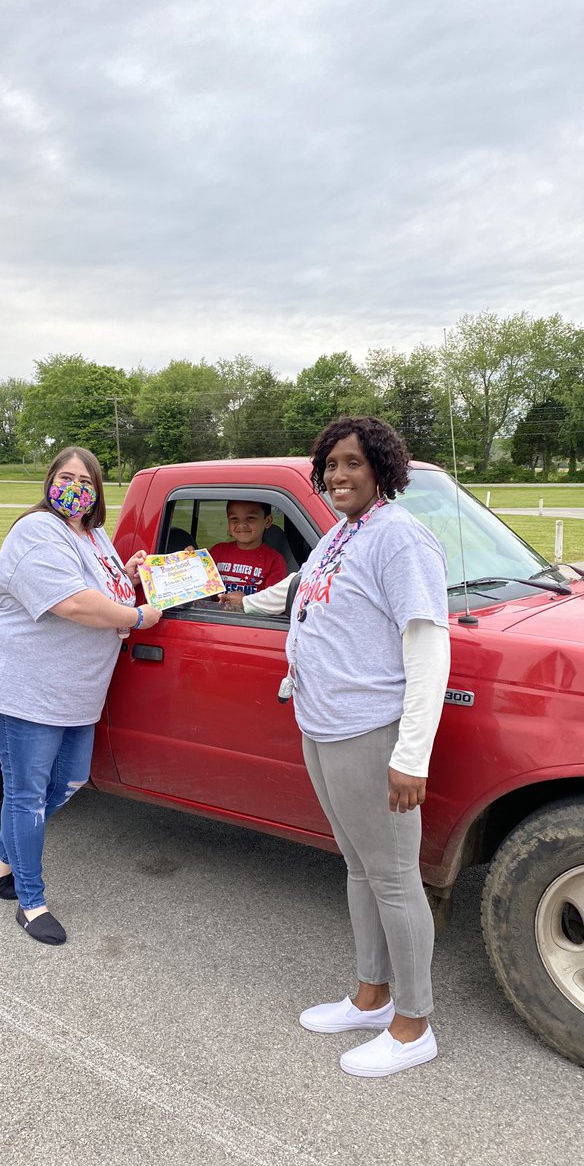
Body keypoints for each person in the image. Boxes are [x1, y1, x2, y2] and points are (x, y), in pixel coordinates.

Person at [289, 416, 450, 1078]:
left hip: (371, 731)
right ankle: (371, 997)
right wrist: (231, 596)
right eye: (329, 465)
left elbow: (428, 645)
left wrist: (411, 754)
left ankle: (413, 1027)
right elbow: (305, 595)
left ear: (381, 466)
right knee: (357, 867)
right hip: (323, 725)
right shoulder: (341, 533)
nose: (338, 476)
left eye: (351, 463)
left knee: (392, 876)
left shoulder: (401, 538)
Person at [0, 446, 162, 946]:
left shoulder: (94, 536)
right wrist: (138, 617)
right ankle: (30, 901)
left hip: (75, 689)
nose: (75, 485)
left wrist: (129, 577)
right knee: (26, 795)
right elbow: (74, 602)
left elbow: (103, 588)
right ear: (50, 480)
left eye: (86, 479)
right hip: (27, 687)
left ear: (97, 490)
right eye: (65, 475)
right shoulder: (36, 531)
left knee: (71, 780)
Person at [209, 501, 287, 596]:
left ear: (267, 521)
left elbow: (274, 601)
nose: (241, 525)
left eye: (250, 518)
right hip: (214, 610)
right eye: (234, 519)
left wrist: (245, 602)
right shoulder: (217, 552)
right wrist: (189, 558)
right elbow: (199, 587)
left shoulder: (274, 560)